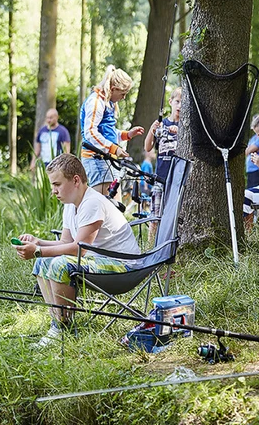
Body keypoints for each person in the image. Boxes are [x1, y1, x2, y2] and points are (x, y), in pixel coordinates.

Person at [13, 153, 141, 347]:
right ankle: (59, 324)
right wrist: (38, 243)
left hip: (124, 267)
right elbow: (66, 241)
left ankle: (61, 328)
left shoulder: (92, 203)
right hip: (100, 261)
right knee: (42, 262)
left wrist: (37, 250)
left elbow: (77, 250)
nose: (53, 191)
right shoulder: (70, 204)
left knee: (60, 264)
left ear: (75, 180)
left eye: (57, 184)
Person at [80, 65, 145, 195]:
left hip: (107, 159)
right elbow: (90, 133)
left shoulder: (108, 103)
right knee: (104, 203)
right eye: (123, 94)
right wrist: (114, 148)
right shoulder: (96, 102)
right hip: (96, 159)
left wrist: (127, 134)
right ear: (113, 89)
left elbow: (107, 132)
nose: (124, 97)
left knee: (114, 203)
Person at [143, 87, 181, 228]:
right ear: (170, 102)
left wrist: (179, 132)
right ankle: (151, 240)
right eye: (177, 101)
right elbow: (147, 147)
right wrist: (151, 130)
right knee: (155, 217)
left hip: (177, 180)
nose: (180, 106)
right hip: (160, 177)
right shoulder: (162, 124)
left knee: (174, 217)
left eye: (183, 103)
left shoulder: (185, 127)